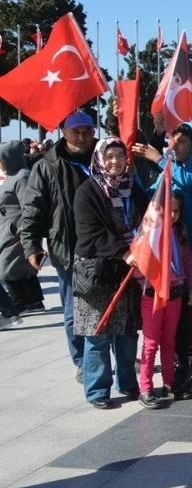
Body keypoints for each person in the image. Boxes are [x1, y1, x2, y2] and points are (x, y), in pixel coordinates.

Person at [134, 121, 192, 396]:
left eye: (181, 142)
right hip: (167, 252)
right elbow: (153, 195)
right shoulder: (169, 168)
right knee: (173, 316)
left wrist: (158, 159)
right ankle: (179, 361)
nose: (174, 147)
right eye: (173, 141)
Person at [72, 137, 148, 409]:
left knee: (127, 333)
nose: (115, 162)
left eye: (120, 156)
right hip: (97, 275)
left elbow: (149, 220)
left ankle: (128, 382)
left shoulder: (133, 189)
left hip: (129, 274)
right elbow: (89, 234)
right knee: (98, 334)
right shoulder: (88, 191)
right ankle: (97, 390)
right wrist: (123, 251)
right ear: (99, 159)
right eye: (110, 157)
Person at [21, 110, 97, 382]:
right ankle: (82, 361)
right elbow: (32, 209)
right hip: (67, 249)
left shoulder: (104, 158)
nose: (82, 137)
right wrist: (31, 245)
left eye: (87, 132)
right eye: (76, 132)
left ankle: (106, 355)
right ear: (63, 133)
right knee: (72, 310)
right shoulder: (47, 166)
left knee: (108, 305)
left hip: (104, 247)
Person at [137, 192, 192, 409]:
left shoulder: (180, 232)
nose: (171, 214)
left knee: (169, 341)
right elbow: (138, 264)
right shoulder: (149, 234)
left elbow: (189, 263)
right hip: (153, 295)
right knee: (150, 343)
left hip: (175, 293)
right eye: (166, 209)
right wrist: (149, 277)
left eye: (176, 211)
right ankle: (145, 387)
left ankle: (169, 382)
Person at [1, 141, 45, 317]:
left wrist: (23, 231)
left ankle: (18, 303)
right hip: (7, 229)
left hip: (16, 230)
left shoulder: (22, 176)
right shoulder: (12, 175)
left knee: (8, 267)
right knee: (19, 267)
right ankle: (33, 301)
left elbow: (28, 205)